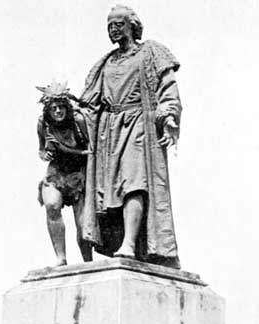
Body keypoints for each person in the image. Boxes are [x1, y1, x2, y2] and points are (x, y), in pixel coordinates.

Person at [79, 5, 182, 268]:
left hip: (139, 124)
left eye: (118, 23)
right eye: (109, 24)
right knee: (111, 192)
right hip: (109, 132)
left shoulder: (150, 51)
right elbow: (89, 104)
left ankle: (130, 243)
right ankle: (121, 240)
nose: (113, 28)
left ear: (132, 25)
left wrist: (168, 116)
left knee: (135, 182)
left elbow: (167, 88)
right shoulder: (105, 63)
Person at [37, 81, 92, 265]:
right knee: (51, 205)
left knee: (84, 225)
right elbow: (41, 150)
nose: (58, 112)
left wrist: (77, 152)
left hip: (79, 173)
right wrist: (46, 153)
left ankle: (87, 261)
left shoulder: (78, 121)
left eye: (61, 107)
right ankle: (61, 257)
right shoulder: (43, 124)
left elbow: (92, 149)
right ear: (48, 110)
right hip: (57, 172)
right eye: (54, 108)